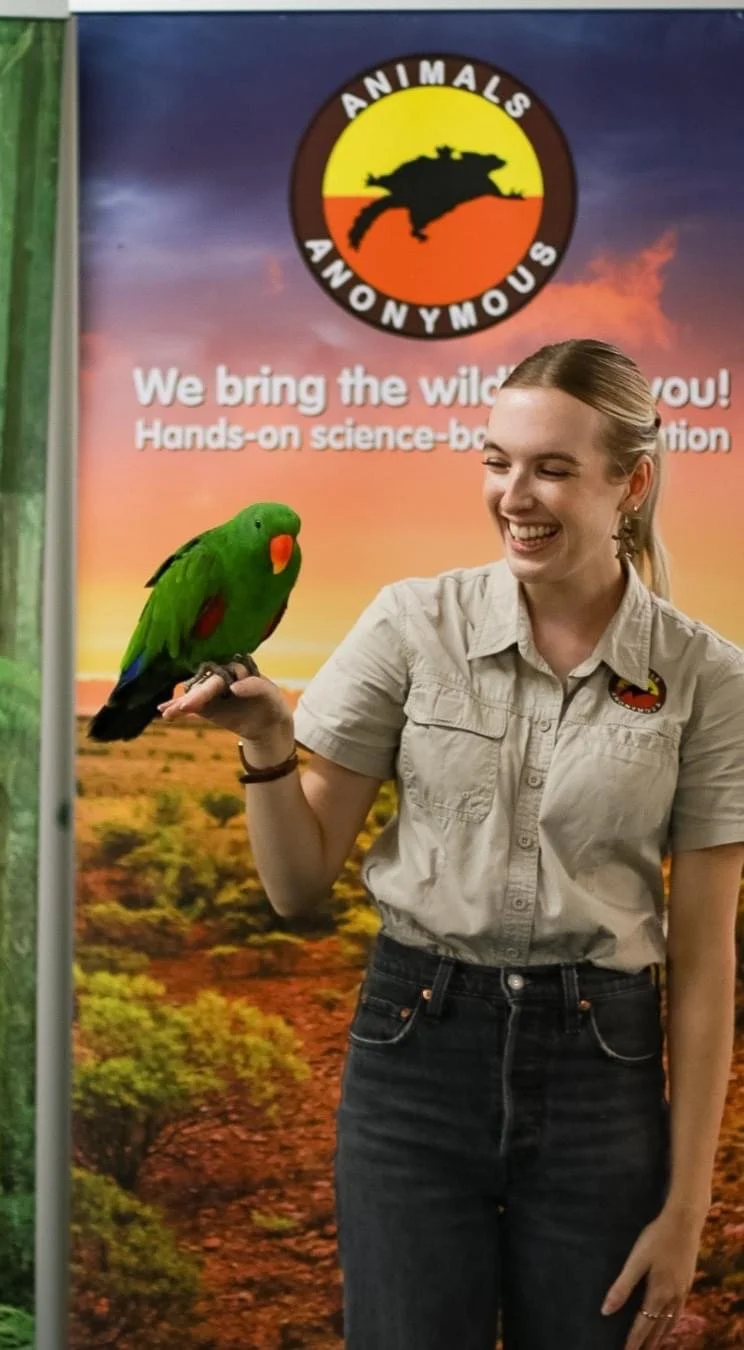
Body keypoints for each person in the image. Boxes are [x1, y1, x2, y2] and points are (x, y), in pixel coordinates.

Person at [157, 338, 744, 1350]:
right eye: (497, 461)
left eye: (553, 468)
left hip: (601, 1074)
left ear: (632, 483)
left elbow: (704, 963)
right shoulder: (409, 626)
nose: (515, 494)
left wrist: (687, 1209)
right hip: (414, 1058)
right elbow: (297, 889)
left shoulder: (706, 679)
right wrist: (265, 740)